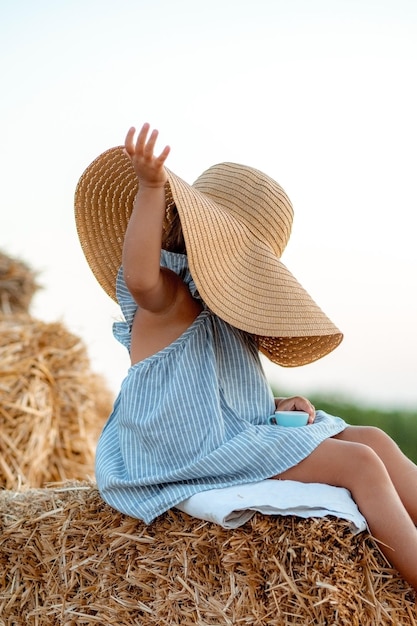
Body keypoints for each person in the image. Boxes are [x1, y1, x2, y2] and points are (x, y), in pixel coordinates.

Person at [75, 122, 417, 593]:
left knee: (372, 438)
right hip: (182, 452)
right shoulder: (170, 296)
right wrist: (152, 187)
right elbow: (138, 276)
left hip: (223, 432)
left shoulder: (226, 318)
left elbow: (211, 390)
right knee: (358, 463)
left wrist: (273, 404)